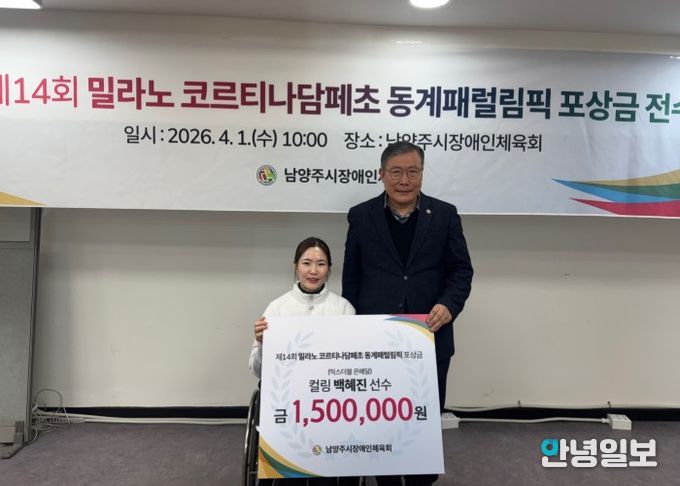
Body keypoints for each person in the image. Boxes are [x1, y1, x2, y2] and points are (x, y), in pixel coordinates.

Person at [342, 141, 474, 486]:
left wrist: (449, 305)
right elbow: (352, 277)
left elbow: (461, 271)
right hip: (376, 338)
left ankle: (421, 479)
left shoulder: (444, 214)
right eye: (396, 172)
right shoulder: (361, 215)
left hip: (429, 336)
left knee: (423, 419)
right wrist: (350, 332)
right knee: (381, 419)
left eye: (412, 172)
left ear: (422, 174)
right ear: (381, 174)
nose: (404, 180)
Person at [249, 236, 358, 486]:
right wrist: (262, 344)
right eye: (307, 263)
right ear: (295, 266)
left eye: (321, 264)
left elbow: (352, 365)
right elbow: (257, 370)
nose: (313, 271)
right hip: (287, 402)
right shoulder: (276, 309)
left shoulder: (344, 309)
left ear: (329, 269)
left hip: (331, 401)